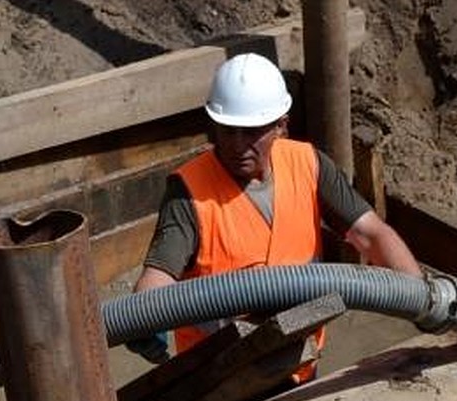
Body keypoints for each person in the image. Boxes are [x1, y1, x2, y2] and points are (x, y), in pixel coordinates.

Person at [129, 51, 422, 372]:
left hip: (298, 362)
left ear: (281, 126)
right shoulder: (188, 191)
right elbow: (159, 275)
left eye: (252, 132)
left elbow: (371, 234)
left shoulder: (308, 164)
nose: (238, 145)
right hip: (215, 378)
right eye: (228, 130)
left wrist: (421, 299)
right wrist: (144, 314)